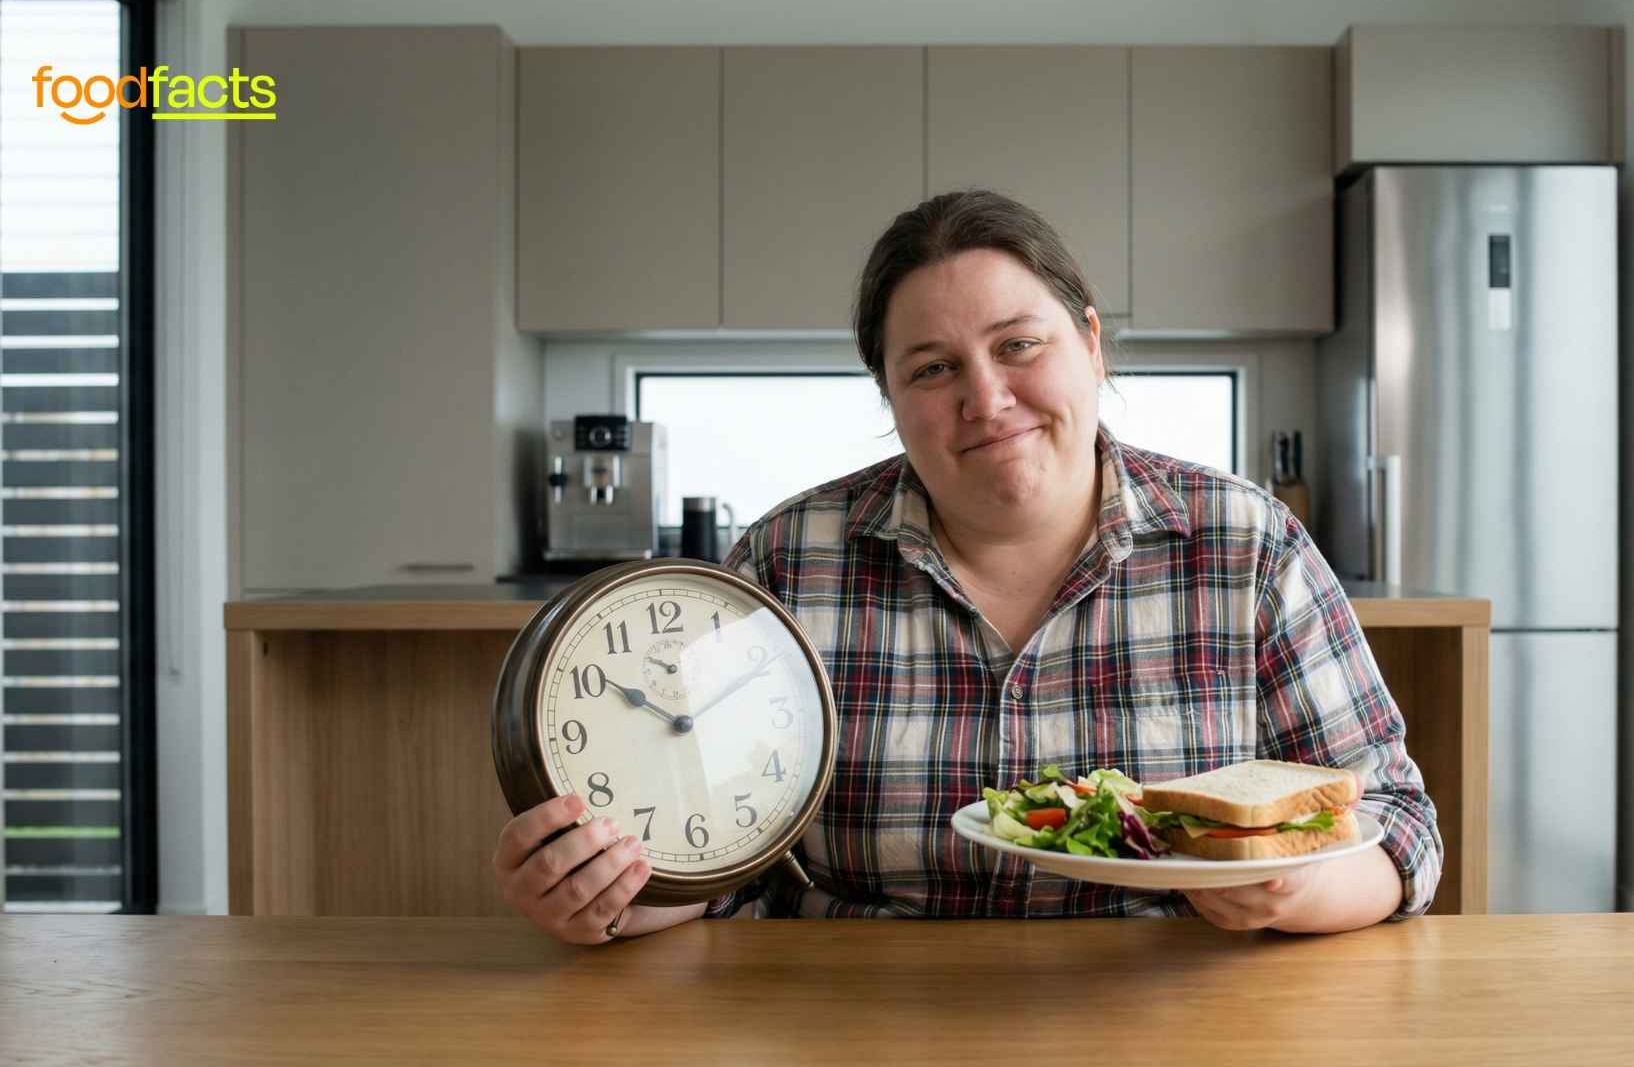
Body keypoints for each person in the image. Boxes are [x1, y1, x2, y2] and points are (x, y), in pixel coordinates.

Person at [494, 190, 1442, 943]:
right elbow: (722, 863)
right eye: (933, 369)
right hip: (849, 1020)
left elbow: (1401, 827)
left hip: (1169, 1010)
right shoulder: (788, 562)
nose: (986, 400)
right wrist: (612, 895)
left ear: (1091, 341)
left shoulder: (1248, 547)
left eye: (1019, 346)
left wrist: (1295, 889)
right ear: (891, 396)